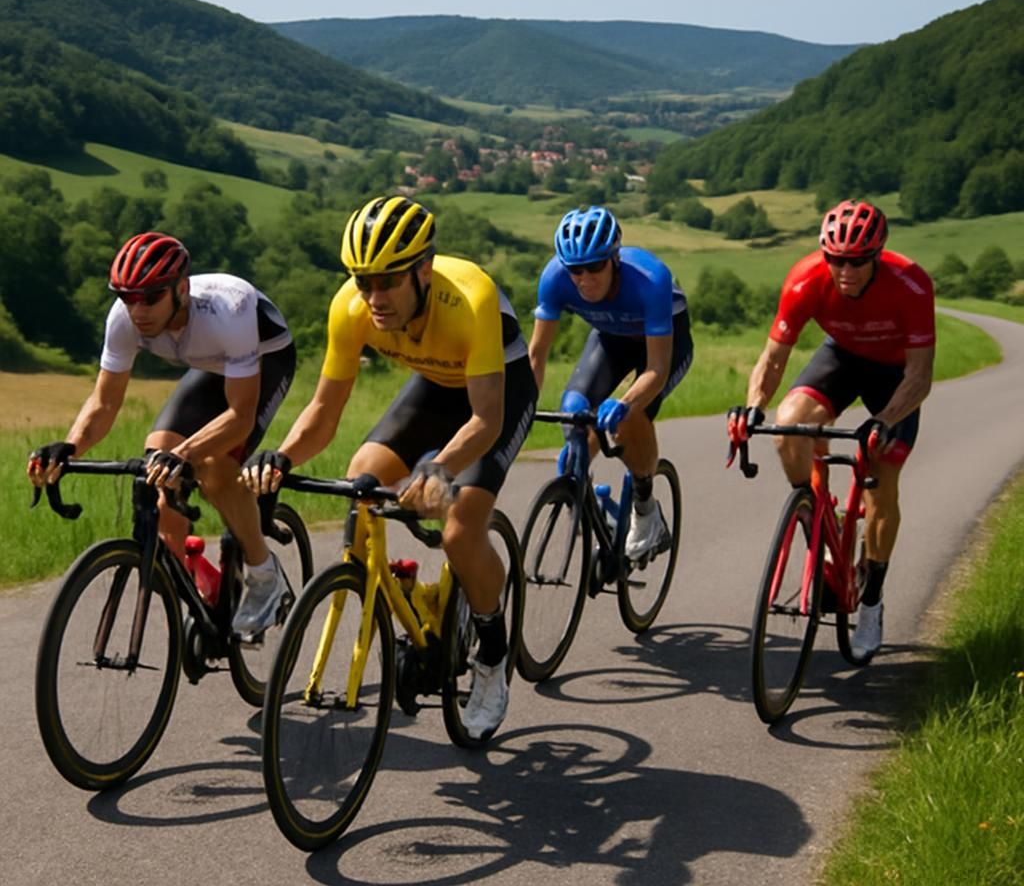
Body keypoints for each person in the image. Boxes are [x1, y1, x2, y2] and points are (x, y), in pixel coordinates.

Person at [241, 195, 537, 741]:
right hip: (430, 388)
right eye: (362, 281)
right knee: (362, 477)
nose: (373, 297)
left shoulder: (470, 298)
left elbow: (487, 421)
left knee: (459, 527)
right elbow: (324, 412)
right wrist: (280, 457)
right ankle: (388, 591)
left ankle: (492, 653)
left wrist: (439, 469)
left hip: (495, 394)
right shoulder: (350, 309)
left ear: (423, 270)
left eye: (387, 282)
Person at [27, 232, 296, 641]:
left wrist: (185, 453)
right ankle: (202, 588)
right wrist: (69, 447)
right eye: (127, 298)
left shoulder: (229, 308)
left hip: (264, 359)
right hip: (209, 366)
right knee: (157, 470)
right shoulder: (123, 317)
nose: (138, 310)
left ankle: (264, 575)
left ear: (181, 289)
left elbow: (239, 418)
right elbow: (104, 403)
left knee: (213, 468)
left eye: (150, 298)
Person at [728, 199, 935, 662]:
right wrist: (753, 408)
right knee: (787, 428)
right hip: (841, 357)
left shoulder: (911, 284)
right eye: (836, 259)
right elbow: (774, 357)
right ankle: (819, 520)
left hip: (895, 375)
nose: (845, 270)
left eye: (857, 261)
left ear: (877, 255)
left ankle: (872, 600)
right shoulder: (806, 279)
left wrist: (884, 420)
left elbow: (920, 377)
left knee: (881, 481)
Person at [528, 206, 693, 560]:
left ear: (614, 259)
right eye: (575, 270)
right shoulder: (554, 278)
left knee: (626, 421)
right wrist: (519, 409)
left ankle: (647, 511)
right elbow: (536, 357)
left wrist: (625, 403)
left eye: (595, 267)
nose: (584, 278)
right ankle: (592, 515)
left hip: (664, 347)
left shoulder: (651, 279)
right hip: (610, 340)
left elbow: (657, 369)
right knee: (573, 415)